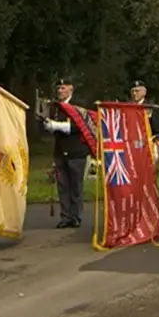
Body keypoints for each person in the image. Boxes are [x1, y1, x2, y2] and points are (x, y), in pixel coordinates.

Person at [42, 78, 89, 228]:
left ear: (70, 89)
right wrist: (49, 126)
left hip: (76, 150)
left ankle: (75, 216)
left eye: (63, 88)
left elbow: (79, 126)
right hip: (60, 151)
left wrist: (57, 125)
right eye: (58, 88)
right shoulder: (56, 107)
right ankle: (65, 216)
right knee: (63, 186)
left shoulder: (79, 105)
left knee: (76, 186)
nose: (60, 91)